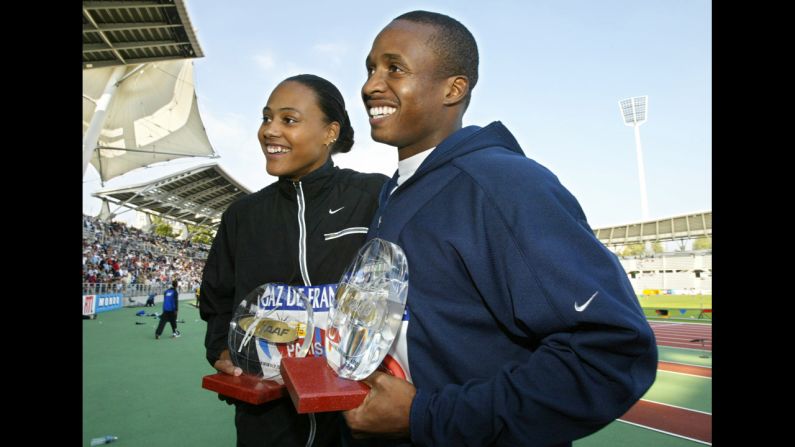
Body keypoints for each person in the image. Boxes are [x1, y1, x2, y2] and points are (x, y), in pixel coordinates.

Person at [341, 11, 658, 446]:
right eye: (371, 68)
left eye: (394, 68)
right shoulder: (396, 192)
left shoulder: (504, 185)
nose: (371, 85)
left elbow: (611, 353)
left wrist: (426, 415)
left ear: (454, 88)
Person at [199, 74, 389, 447]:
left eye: (288, 120)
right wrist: (220, 349)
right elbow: (217, 300)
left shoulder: (373, 194)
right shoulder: (242, 215)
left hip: (356, 416)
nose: (270, 130)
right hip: (266, 420)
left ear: (329, 132)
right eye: (266, 117)